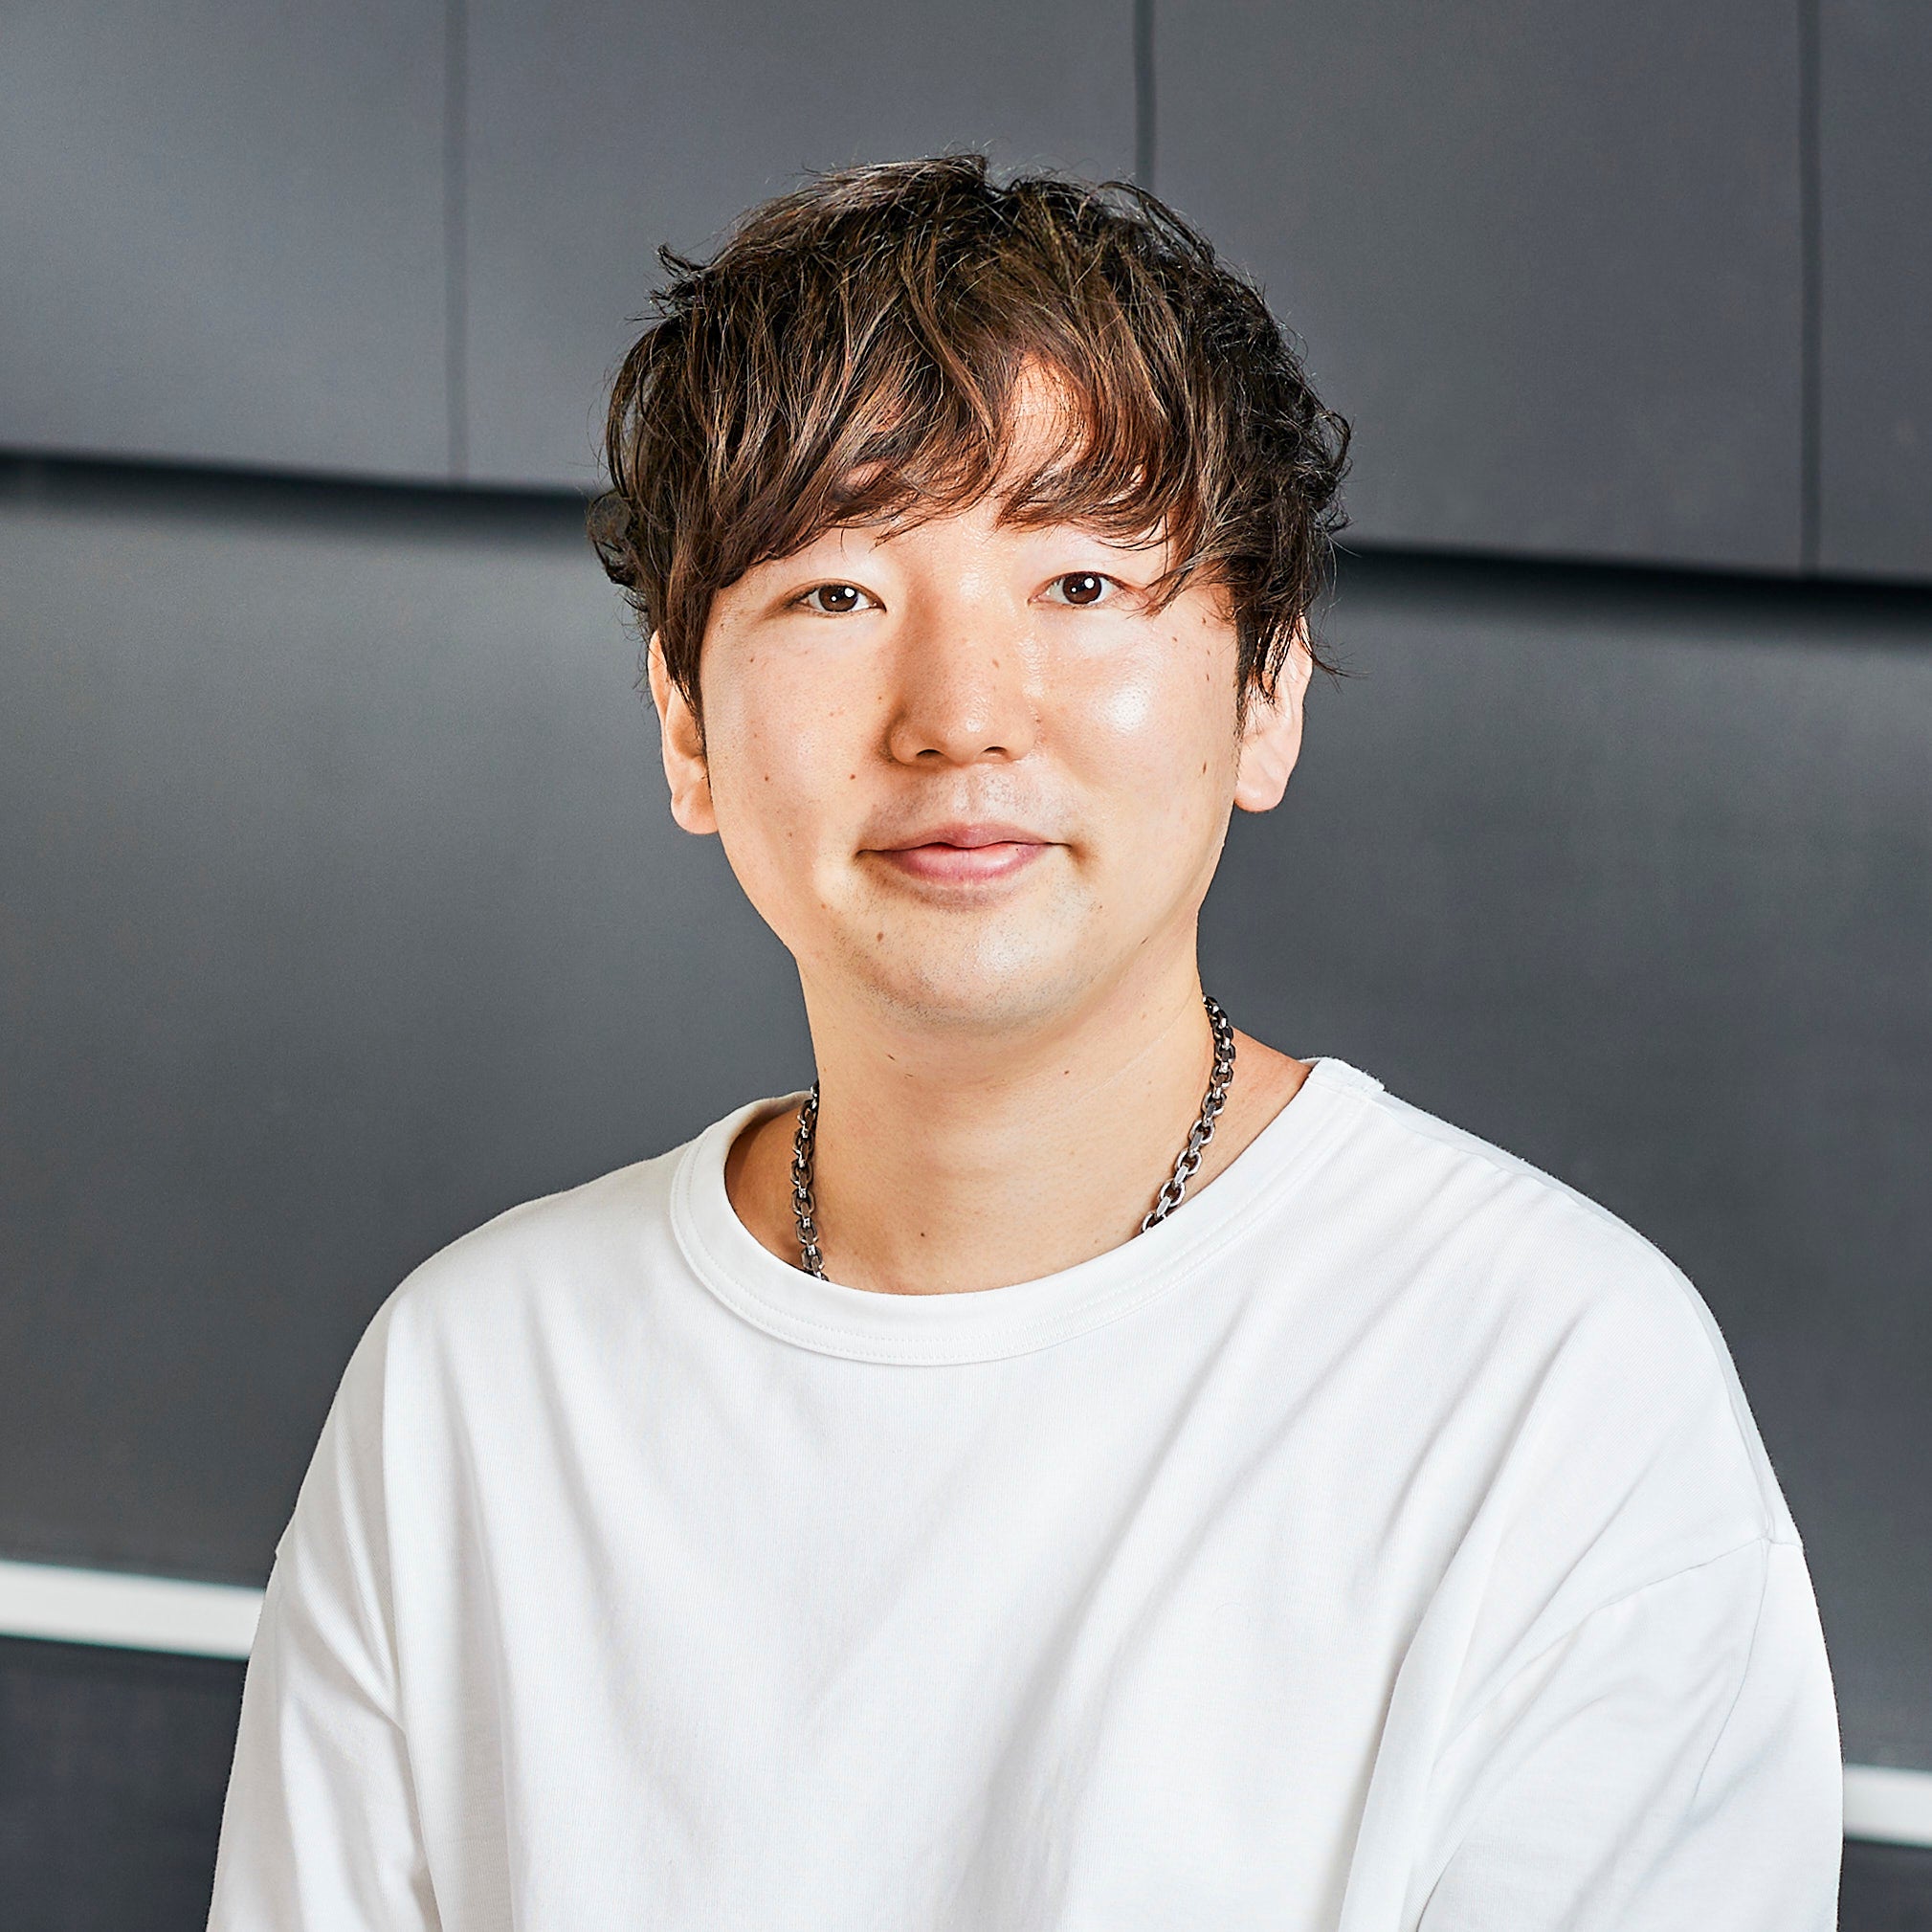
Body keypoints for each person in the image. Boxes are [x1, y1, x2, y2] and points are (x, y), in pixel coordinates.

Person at [207, 155, 1841, 1929]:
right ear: (685, 723)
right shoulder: (469, 1386)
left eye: (1079, 583)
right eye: (837, 594)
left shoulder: (1553, 1397)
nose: (962, 717)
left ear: (1268, 690)